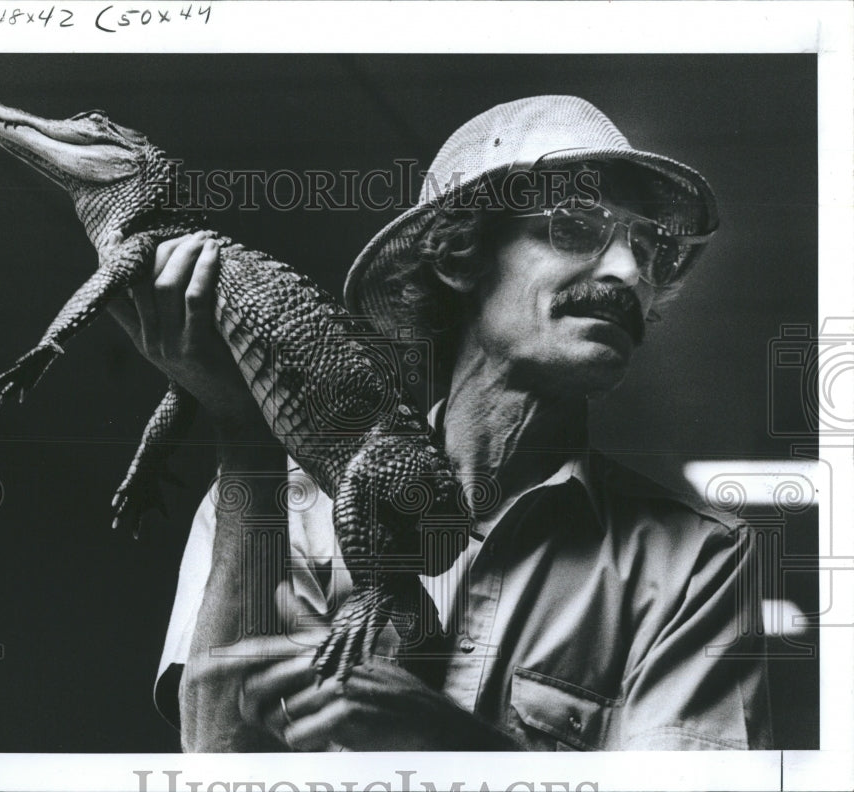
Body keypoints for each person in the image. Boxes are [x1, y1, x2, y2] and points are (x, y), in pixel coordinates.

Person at [108, 95, 772, 751]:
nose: (630, 273)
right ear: (459, 255)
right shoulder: (287, 506)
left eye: (649, 247)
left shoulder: (696, 559)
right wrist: (241, 433)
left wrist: (444, 741)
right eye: (575, 225)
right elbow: (222, 759)